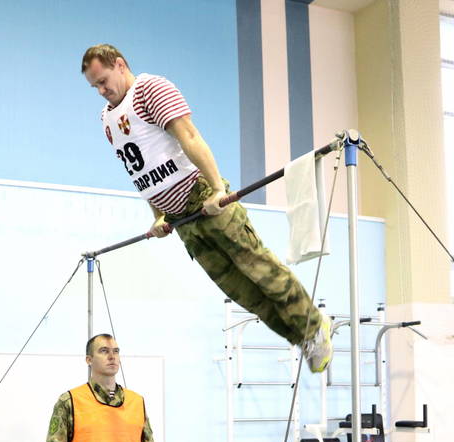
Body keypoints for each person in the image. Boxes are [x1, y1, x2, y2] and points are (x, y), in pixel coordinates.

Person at [81, 44, 333, 373]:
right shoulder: (106, 119)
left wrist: (217, 190)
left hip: (203, 198)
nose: (102, 91)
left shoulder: (149, 89)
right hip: (182, 221)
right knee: (242, 292)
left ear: (120, 64)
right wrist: (157, 216)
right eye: (94, 87)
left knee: (260, 270)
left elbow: (189, 136)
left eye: (103, 81)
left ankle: (315, 326)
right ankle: (300, 338)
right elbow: (140, 172)